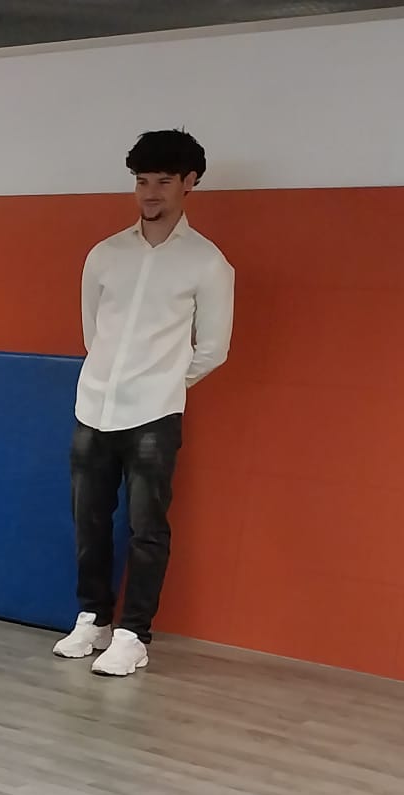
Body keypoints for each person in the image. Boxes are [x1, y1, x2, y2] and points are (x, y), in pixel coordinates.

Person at [54, 127, 235, 677]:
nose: (150, 193)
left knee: (146, 527)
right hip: (94, 407)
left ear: (189, 182)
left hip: (155, 414)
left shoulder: (207, 263)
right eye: (141, 181)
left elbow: (214, 349)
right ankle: (93, 619)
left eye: (162, 181)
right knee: (89, 521)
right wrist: (110, 378)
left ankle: (133, 634)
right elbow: (93, 332)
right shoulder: (105, 254)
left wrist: (163, 384)